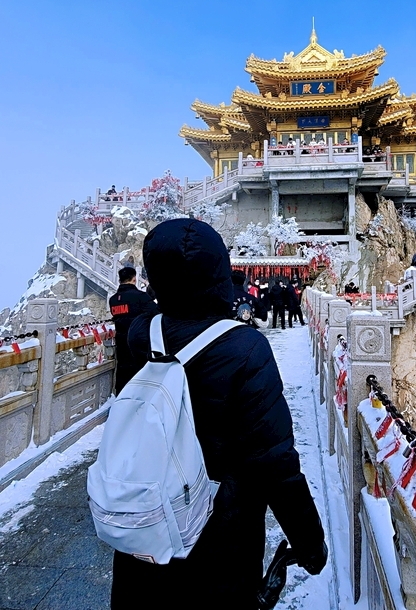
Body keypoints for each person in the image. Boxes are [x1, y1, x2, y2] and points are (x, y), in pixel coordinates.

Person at [110, 219, 327, 608]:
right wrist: (309, 541)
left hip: (145, 530)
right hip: (220, 541)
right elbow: (275, 462)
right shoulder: (246, 349)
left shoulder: (140, 337)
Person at [108, 266, 158, 393]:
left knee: (122, 373)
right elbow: (157, 313)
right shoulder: (141, 297)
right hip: (139, 344)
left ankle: (120, 400)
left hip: (120, 343)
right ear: (134, 279)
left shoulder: (113, 300)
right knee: (139, 374)